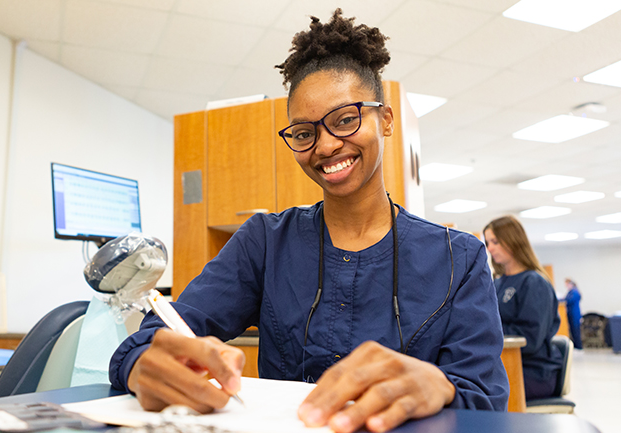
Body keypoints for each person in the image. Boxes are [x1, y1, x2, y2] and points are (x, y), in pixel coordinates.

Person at [110, 9, 509, 433]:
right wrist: (141, 363)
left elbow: (485, 401)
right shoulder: (265, 242)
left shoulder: (459, 258)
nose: (326, 145)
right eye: (304, 133)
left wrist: (441, 386)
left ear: (385, 120)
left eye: (345, 119)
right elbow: (158, 334)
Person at [483, 216, 563, 400]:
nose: (490, 248)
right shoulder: (497, 283)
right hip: (504, 366)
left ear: (513, 240)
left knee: (476, 394)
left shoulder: (534, 283)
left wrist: (488, 333)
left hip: (533, 371)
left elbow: (530, 338)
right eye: (488, 242)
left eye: (495, 241)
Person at [565, 278, 583, 349]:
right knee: (572, 331)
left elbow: (568, 300)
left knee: (576, 331)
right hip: (570, 314)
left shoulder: (575, 292)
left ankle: (579, 346)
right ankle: (575, 345)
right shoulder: (570, 292)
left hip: (575, 314)